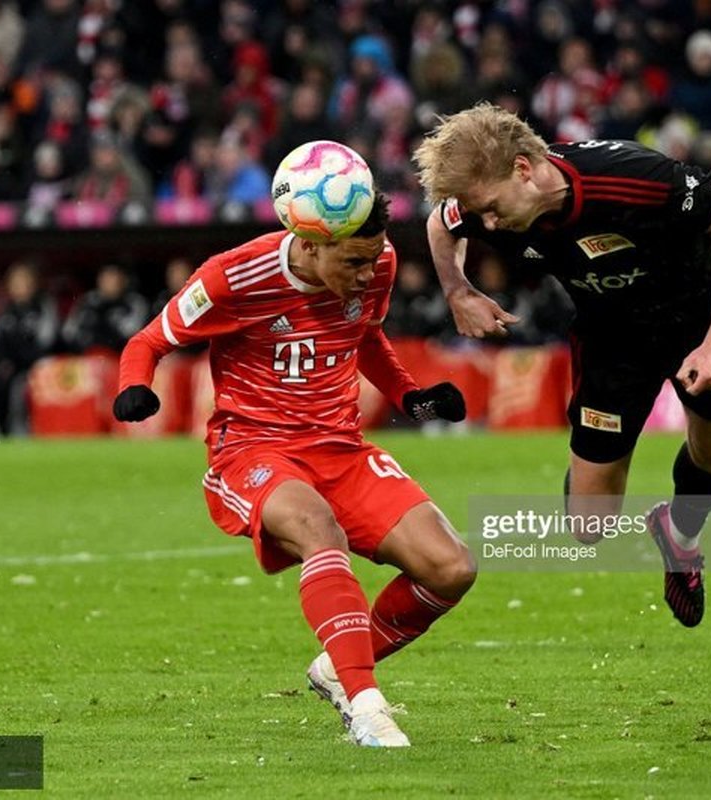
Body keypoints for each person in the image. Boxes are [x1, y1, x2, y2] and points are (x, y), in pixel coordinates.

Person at [113, 194, 474, 747]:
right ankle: (366, 706)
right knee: (318, 529)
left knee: (451, 568)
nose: (368, 272)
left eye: (373, 258)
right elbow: (149, 341)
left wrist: (412, 398)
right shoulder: (233, 276)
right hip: (253, 449)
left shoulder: (378, 262)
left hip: (341, 449)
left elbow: (365, 335)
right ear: (308, 245)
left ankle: (337, 668)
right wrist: (134, 386)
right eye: (353, 262)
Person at [414, 103, 711, 628]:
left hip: (702, 319)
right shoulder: (488, 204)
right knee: (588, 526)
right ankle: (592, 461)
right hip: (612, 337)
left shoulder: (631, 178)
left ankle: (680, 537)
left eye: (491, 208)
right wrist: (458, 291)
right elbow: (440, 225)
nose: (489, 224)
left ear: (523, 169)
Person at [0, 261, 58, 436]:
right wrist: (5, 361)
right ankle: (2, 433)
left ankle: (26, 432)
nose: (21, 287)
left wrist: (19, 360)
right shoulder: (6, 310)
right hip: (13, 366)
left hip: (37, 366)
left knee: (20, 388)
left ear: (34, 284)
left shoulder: (44, 307)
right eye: (16, 283)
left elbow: (47, 343)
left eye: (25, 282)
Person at [61, 264, 148, 355]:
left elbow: (132, 333)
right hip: (86, 355)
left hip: (120, 355)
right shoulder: (88, 301)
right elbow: (68, 332)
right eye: (105, 278)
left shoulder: (134, 302)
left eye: (113, 277)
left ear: (124, 280)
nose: (108, 282)